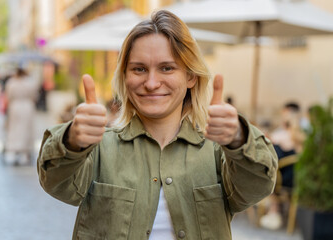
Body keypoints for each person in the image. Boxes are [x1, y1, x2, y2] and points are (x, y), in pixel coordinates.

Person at [37, 10, 277, 239]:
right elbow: (57, 183)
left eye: (166, 68)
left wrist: (238, 138)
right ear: (125, 77)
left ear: (191, 77)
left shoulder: (217, 151)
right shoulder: (99, 147)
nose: (151, 83)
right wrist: (72, 141)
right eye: (139, 69)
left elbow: (256, 187)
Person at [259, 102, 305, 230]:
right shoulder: (302, 137)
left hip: (281, 181)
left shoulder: (280, 136)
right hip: (298, 181)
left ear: (285, 123)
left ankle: (273, 210)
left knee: (269, 173)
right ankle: (276, 210)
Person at [4, 68, 38, 165]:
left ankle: (14, 151)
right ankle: (24, 152)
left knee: (15, 129)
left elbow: (8, 96)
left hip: (15, 107)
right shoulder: (30, 83)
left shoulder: (11, 82)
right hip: (27, 107)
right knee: (26, 129)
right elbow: (34, 96)